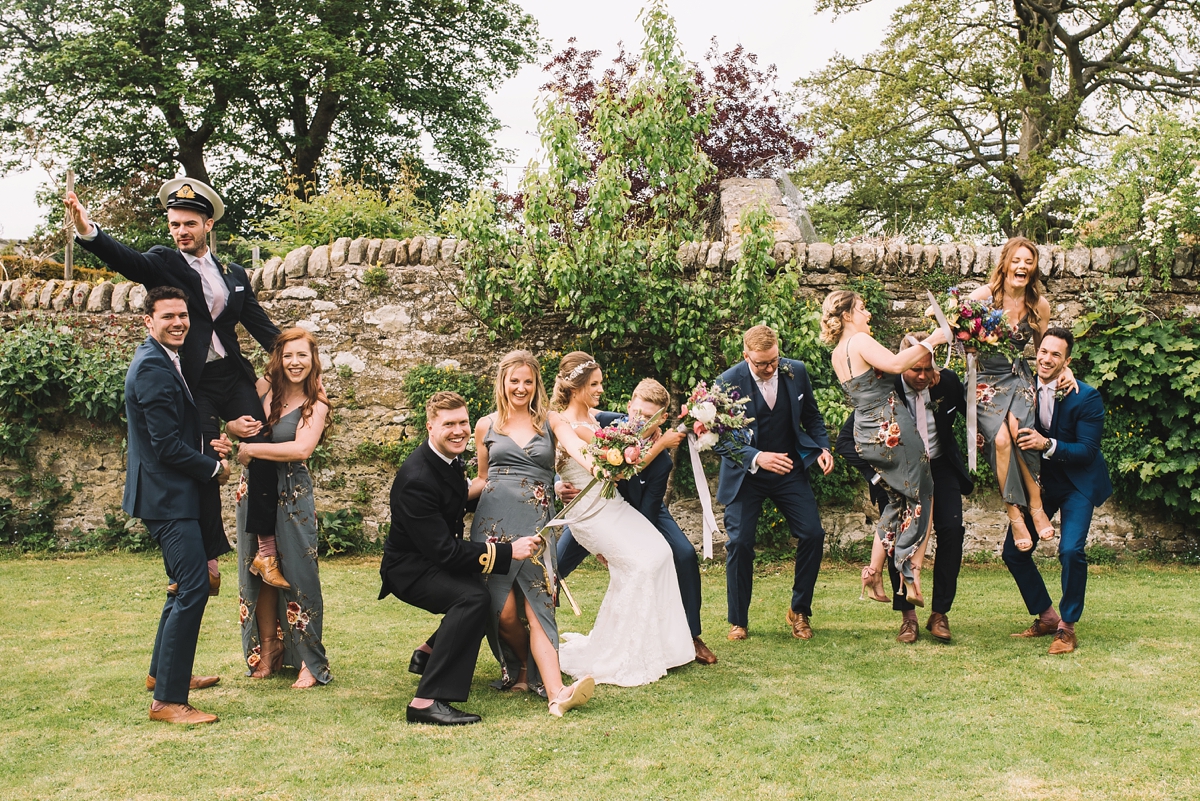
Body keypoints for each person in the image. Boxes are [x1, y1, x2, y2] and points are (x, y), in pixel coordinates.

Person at [67, 180, 283, 592]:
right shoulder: (164, 262)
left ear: (208, 223)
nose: (181, 231)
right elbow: (126, 260)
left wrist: (297, 364)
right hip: (194, 383)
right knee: (202, 460)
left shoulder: (234, 274)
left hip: (232, 376)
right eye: (174, 224)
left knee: (263, 444)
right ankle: (208, 560)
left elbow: (260, 326)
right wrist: (88, 231)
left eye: (189, 224)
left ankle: (265, 550)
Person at [379, 392, 561, 725]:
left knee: (483, 594)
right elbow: (444, 551)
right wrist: (507, 551)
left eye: (463, 422)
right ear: (430, 426)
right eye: (449, 424)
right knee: (473, 598)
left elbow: (459, 499)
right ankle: (425, 700)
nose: (459, 430)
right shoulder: (417, 478)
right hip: (410, 569)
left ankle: (429, 652)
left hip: (432, 558)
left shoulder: (446, 459)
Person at [547, 353, 696, 687]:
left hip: (612, 503)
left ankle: (665, 647)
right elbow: (612, 466)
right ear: (577, 387)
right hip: (589, 510)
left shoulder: (597, 417)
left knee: (660, 553)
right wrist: (557, 485)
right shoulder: (562, 423)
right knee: (639, 565)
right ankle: (620, 651)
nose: (601, 389)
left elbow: (633, 426)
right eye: (595, 384)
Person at [468, 350, 593, 715]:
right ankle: (522, 668)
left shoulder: (550, 421)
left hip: (537, 525)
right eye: (514, 381)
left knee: (538, 608)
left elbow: (574, 446)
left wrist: (598, 464)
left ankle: (556, 692)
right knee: (503, 612)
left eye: (528, 381)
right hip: (492, 526)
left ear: (537, 384)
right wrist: (441, 495)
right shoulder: (485, 425)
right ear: (502, 382)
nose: (520, 388)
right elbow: (481, 477)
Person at [127, 286, 231, 724]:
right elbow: (166, 446)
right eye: (168, 316)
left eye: (183, 316)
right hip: (168, 498)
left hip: (173, 494)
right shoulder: (152, 366)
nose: (178, 323)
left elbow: (177, 433)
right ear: (148, 321)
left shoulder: (165, 359)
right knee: (192, 588)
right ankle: (167, 701)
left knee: (181, 587)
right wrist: (213, 469)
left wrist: (210, 444)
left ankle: (162, 675)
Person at [835, 330, 974, 643]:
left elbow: (974, 414)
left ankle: (940, 613)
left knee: (952, 530)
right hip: (898, 471)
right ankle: (907, 617)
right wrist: (879, 479)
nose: (923, 376)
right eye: (916, 369)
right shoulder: (887, 385)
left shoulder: (947, 383)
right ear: (904, 365)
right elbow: (847, 441)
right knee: (898, 530)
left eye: (928, 369)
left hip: (940, 466)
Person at [823, 294, 950, 613]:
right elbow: (895, 365)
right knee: (923, 495)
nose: (867, 315)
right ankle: (910, 573)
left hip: (865, 433)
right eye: (862, 309)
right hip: (891, 428)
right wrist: (933, 339)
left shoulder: (839, 352)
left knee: (896, 502)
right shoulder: (860, 341)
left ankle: (873, 572)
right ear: (848, 315)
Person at [715, 325, 833, 642]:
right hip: (746, 475)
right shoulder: (726, 382)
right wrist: (756, 457)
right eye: (761, 364)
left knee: (813, 533)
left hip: (789, 470)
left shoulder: (796, 372)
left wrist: (823, 448)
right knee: (739, 544)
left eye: (773, 361)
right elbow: (719, 440)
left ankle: (799, 611)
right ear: (746, 356)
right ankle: (738, 621)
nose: (769, 369)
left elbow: (813, 418)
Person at [230, 328, 332, 688]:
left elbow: (301, 449)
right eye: (288, 355)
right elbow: (230, 418)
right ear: (278, 358)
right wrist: (231, 427)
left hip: (291, 494)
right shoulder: (263, 390)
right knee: (258, 573)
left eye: (302, 355)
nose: (294, 363)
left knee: (300, 575)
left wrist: (253, 450)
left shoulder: (315, 403)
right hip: (252, 493)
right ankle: (269, 650)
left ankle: (309, 661)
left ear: (312, 359)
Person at [1006, 328, 1112, 654]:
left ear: (1067, 361)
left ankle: (1067, 626)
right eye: (1043, 351)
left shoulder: (1086, 396)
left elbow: (1088, 451)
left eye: (1056, 354)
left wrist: (1046, 444)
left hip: (1077, 483)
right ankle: (1047, 616)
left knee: (1070, 551)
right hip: (1041, 485)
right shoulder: (1023, 386)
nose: (1047, 358)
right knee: (1013, 552)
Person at [967, 237, 1075, 551]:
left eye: (1029, 262)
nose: (1022, 266)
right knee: (1001, 440)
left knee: (1022, 434)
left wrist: (1064, 369)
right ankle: (1015, 513)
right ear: (1005, 263)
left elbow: (1047, 347)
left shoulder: (1038, 304)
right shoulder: (983, 298)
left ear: (1034, 268)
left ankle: (1037, 506)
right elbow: (955, 331)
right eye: (1017, 260)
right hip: (984, 379)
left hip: (1017, 375)